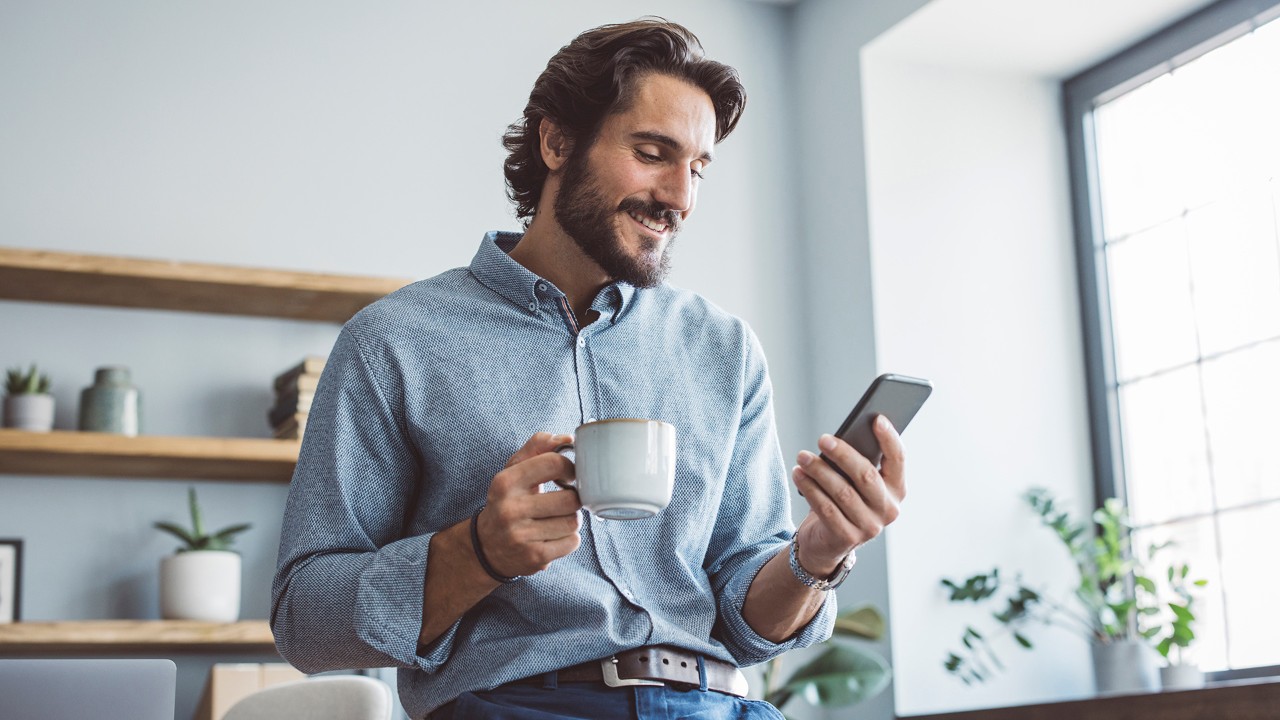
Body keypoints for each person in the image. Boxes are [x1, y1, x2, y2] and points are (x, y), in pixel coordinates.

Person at [271, 18, 906, 720]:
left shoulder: (725, 348)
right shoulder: (394, 341)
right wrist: (478, 551)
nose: (680, 197)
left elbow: (748, 625)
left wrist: (817, 553)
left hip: (721, 705)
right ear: (556, 142)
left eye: (696, 167)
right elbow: (304, 620)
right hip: (516, 707)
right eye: (652, 153)